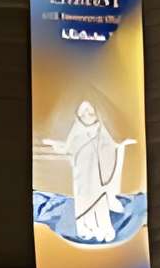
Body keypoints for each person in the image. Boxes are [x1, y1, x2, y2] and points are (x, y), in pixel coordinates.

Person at [40, 99, 134, 242]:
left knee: (99, 200)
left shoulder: (101, 130)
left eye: (90, 111)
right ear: (78, 115)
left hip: (98, 175)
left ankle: (104, 228)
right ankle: (85, 229)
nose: (87, 114)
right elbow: (67, 148)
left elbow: (111, 146)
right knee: (83, 200)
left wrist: (121, 146)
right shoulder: (76, 132)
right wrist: (54, 144)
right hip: (81, 176)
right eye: (84, 112)